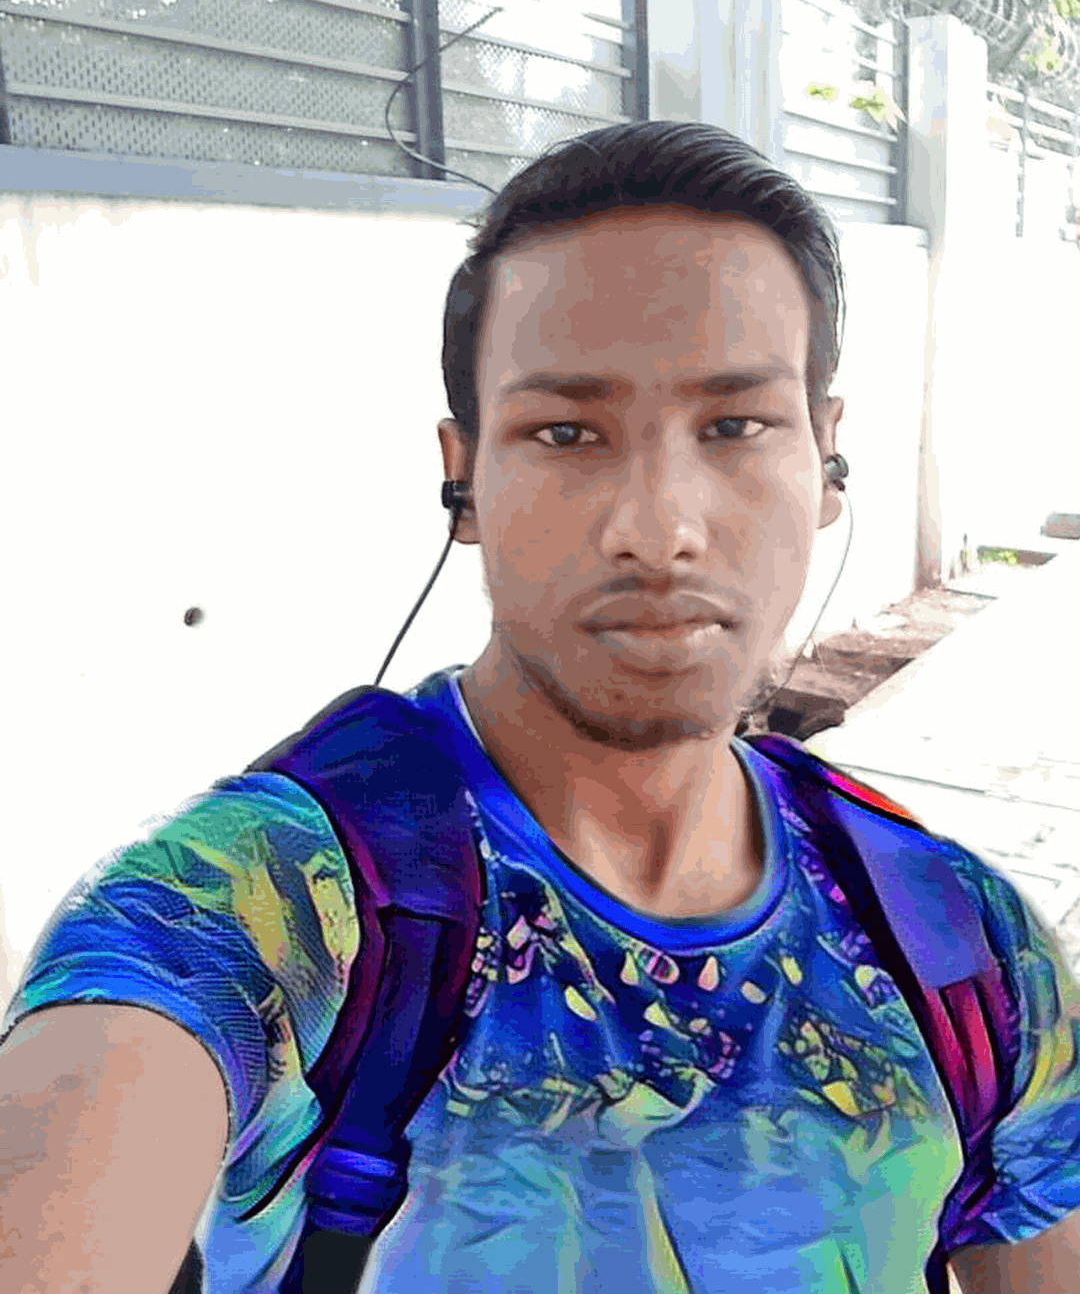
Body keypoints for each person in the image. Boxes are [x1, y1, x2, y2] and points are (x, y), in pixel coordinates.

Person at [2, 121, 1079, 1294]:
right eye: (566, 433)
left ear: (827, 460)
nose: (659, 529)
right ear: (464, 478)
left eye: (735, 426)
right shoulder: (268, 902)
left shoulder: (960, 940)